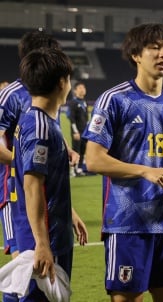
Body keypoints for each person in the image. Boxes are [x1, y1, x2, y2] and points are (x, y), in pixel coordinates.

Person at [84, 23, 163, 302]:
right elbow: (93, 159)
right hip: (127, 224)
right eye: (155, 48)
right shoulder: (114, 99)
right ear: (136, 55)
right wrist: (145, 170)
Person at [12, 47, 88, 300]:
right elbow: (33, 186)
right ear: (61, 82)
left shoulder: (35, 120)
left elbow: (47, 184)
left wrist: (70, 213)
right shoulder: (41, 128)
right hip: (47, 238)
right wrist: (42, 244)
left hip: (53, 229)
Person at [0, 32, 79, 265]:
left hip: (44, 190)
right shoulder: (11, 95)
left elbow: (48, 129)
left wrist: (64, 149)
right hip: (14, 189)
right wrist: (24, 160)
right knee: (25, 267)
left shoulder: (47, 97)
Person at [68, 81, 89, 176]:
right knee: (76, 150)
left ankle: (79, 168)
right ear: (75, 91)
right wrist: (75, 131)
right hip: (77, 131)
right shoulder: (73, 102)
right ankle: (73, 170)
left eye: (83, 87)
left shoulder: (84, 102)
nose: (82, 89)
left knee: (83, 149)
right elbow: (71, 118)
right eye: (80, 88)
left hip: (85, 131)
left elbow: (86, 118)